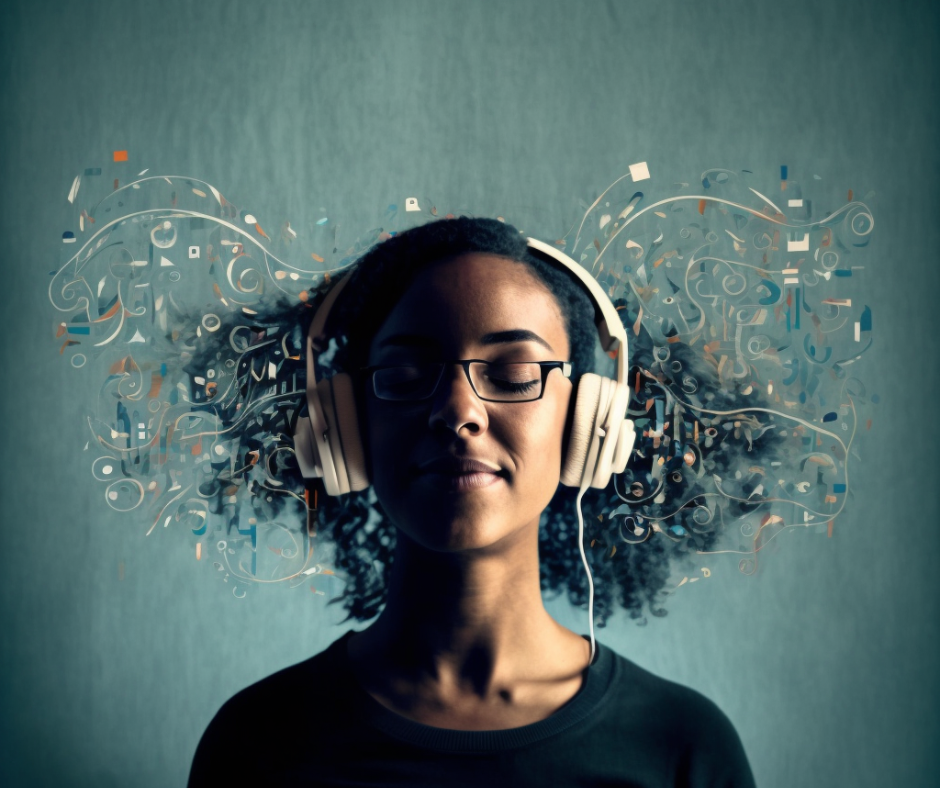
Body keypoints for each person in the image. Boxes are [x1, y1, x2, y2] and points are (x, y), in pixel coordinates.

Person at [188, 217, 756, 787]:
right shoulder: (256, 742)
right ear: (343, 424)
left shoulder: (685, 746)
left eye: (512, 374)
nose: (458, 412)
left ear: (590, 421)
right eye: (406, 374)